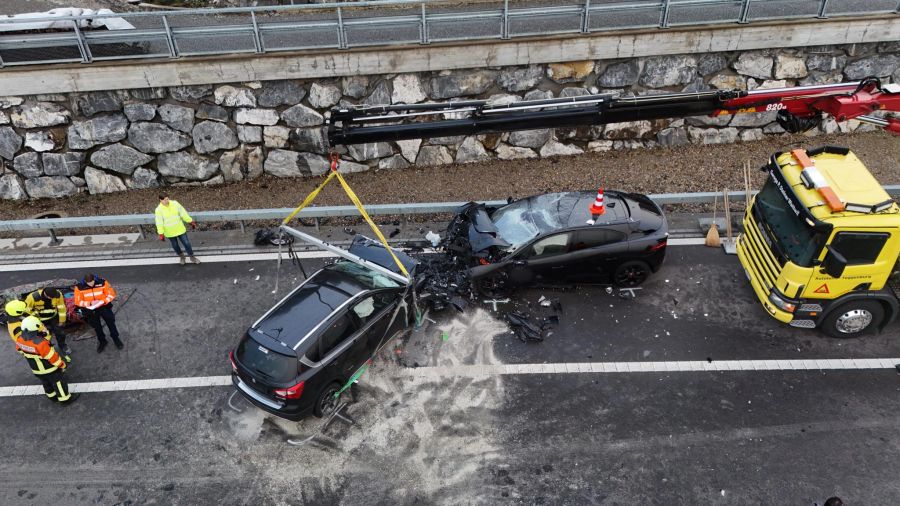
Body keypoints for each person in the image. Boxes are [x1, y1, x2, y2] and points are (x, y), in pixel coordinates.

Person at [15, 315, 76, 405]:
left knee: (46, 383)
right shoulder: (41, 343)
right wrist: (63, 365)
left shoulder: (19, 339)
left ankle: (52, 397)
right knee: (58, 383)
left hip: (36, 370)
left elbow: (20, 350)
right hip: (49, 369)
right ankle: (65, 400)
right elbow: (53, 358)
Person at [73, 274, 123, 353]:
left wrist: (103, 301)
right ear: (85, 281)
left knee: (111, 323)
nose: (91, 285)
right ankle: (102, 341)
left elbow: (111, 294)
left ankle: (116, 338)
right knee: (97, 327)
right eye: (89, 283)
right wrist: (90, 303)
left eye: (92, 282)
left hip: (104, 306)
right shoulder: (79, 287)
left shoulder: (102, 282)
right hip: (91, 310)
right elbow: (77, 301)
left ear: (94, 279)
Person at [24, 288, 72, 361]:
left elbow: (61, 307)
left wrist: (62, 320)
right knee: (44, 336)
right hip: (40, 320)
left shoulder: (58, 295)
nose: (52, 298)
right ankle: (48, 350)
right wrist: (35, 317)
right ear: (46, 294)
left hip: (53, 317)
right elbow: (26, 310)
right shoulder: (33, 297)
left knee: (61, 333)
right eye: (51, 297)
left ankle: (62, 346)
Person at [155, 194, 200, 265]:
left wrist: (190, 221)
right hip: (170, 232)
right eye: (164, 200)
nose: (167, 201)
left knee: (187, 243)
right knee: (175, 245)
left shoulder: (175, 204)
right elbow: (159, 222)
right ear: (160, 200)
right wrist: (161, 233)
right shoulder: (158, 210)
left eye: (167, 199)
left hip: (180, 229)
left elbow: (183, 213)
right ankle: (182, 257)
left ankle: (192, 257)